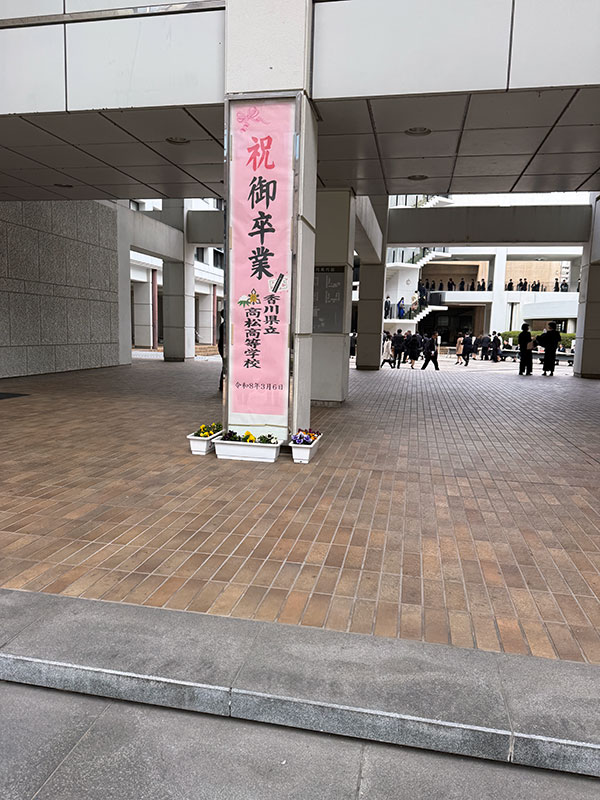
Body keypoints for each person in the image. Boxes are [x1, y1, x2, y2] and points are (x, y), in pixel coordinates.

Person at [218, 309, 225, 392]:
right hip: (223, 348)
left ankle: (222, 385)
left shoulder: (223, 325)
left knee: (225, 366)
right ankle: (222, 385)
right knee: (225, 367)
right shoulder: (224, 326)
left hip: (222, 347)